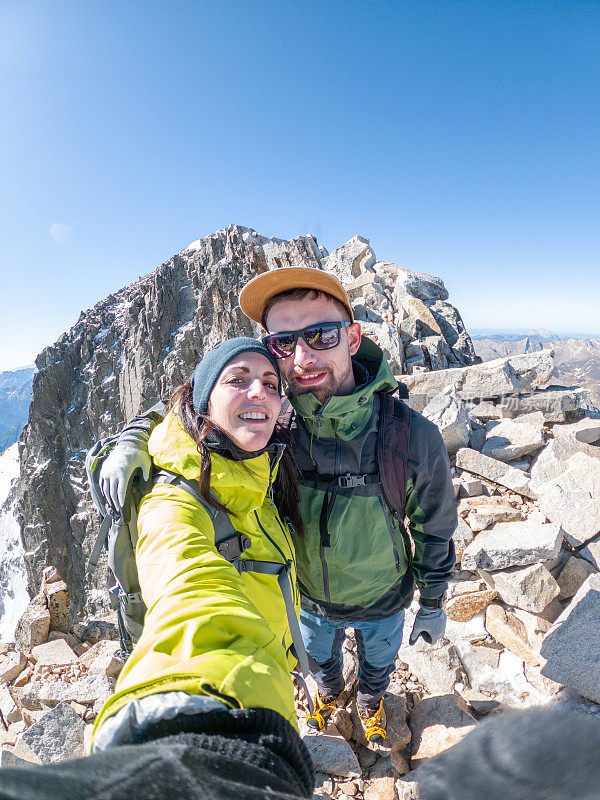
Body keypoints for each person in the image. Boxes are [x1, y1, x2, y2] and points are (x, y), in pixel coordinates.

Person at [96, 268, 457, 743]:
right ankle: (328, 694)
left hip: (384, 597)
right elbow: (199, 417)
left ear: (352, 338)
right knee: (321, 662)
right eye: (283, 344)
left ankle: (370, 703)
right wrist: (136, 437)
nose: (302, 358)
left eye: (321, 335)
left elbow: (435, 526)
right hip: (306, 601)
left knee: (377, 664)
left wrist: (432, 601)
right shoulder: (268, 430)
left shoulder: (410, 435)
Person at [88, 337, 308, 775]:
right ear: (205, 399)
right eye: (238, 380)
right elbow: (187, 586)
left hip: (272, 663)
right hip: (244, 687)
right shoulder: (175, 501)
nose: (258, 393)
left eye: (270, 383)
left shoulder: (254, 459)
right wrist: (198, 715)